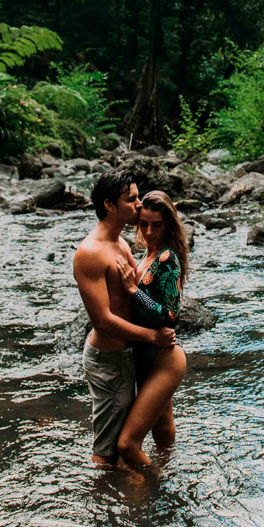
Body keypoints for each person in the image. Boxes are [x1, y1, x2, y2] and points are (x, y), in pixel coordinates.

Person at [72, 169, 176, 468]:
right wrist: (152, 337)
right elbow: (102, 320)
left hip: (129, 355)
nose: (139, 205)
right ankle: (104, 505)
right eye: (131, 200)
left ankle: (137, 493)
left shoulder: (121, 245)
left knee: (130, 435)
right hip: (109, 360)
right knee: (106, 452)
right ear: (109, 205)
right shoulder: (90, 253)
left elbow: (142, 290)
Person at [114, 190, 189, 464]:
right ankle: (170, 474)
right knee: (162, 427)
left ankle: (155, 485)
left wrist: (134, 290)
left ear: (168, 225)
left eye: (156, 225)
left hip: (164, 358)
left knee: (127, 444)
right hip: (145, 356)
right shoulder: (147, 254)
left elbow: (170, 316)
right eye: (143, 224)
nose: (148, 231)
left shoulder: (168, 259)